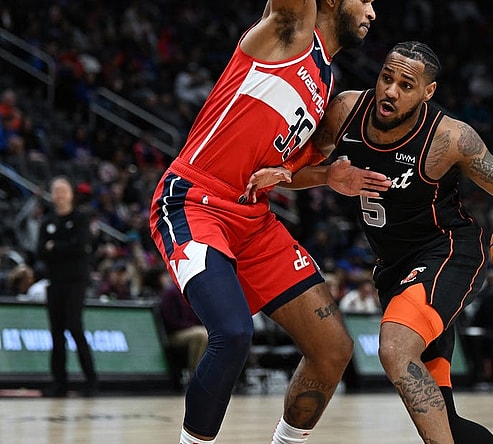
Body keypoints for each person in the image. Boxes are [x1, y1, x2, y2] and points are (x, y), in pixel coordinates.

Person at [245, 41, 493, 444]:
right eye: (386, 78)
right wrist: (310, 174)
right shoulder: (345, 112)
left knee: (395, 348)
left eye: (406, 85)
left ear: (427, 92)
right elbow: (291, 172)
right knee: (445, 423)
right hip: (394, 270)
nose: (391, 92)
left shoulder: (449, 137)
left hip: (448, 253)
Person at [148, 2, 390, 443]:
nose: (374, 11)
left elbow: (284, 169)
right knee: (233, 333)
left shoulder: (325, 81)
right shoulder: (290, 32)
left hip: (253, 216)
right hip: (196, 201)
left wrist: (326, 175)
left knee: (332, 348)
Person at [36, 176, 98, 397]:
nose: (59, 195)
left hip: (75, 281)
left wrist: (56, 247)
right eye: (56, 191)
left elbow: (81, 247)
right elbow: (41, 251)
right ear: (52, 196)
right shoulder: (47, 221)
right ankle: (59, 383)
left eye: (63, 190)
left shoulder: (80, 219)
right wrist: (59, 248)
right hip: (55, 282)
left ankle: (91, 380)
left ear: (71, 194)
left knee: (74, 326)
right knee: (56, 333)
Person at [157, 268, 208, 380]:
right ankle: (194, 374)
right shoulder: (170, 293)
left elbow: (199, 318)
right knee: (200, 334)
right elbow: (170, 321)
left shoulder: (192, 292)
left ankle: (207, 374)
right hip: (174, 335)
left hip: (191, 331)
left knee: (207, 334)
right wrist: (191, 326)